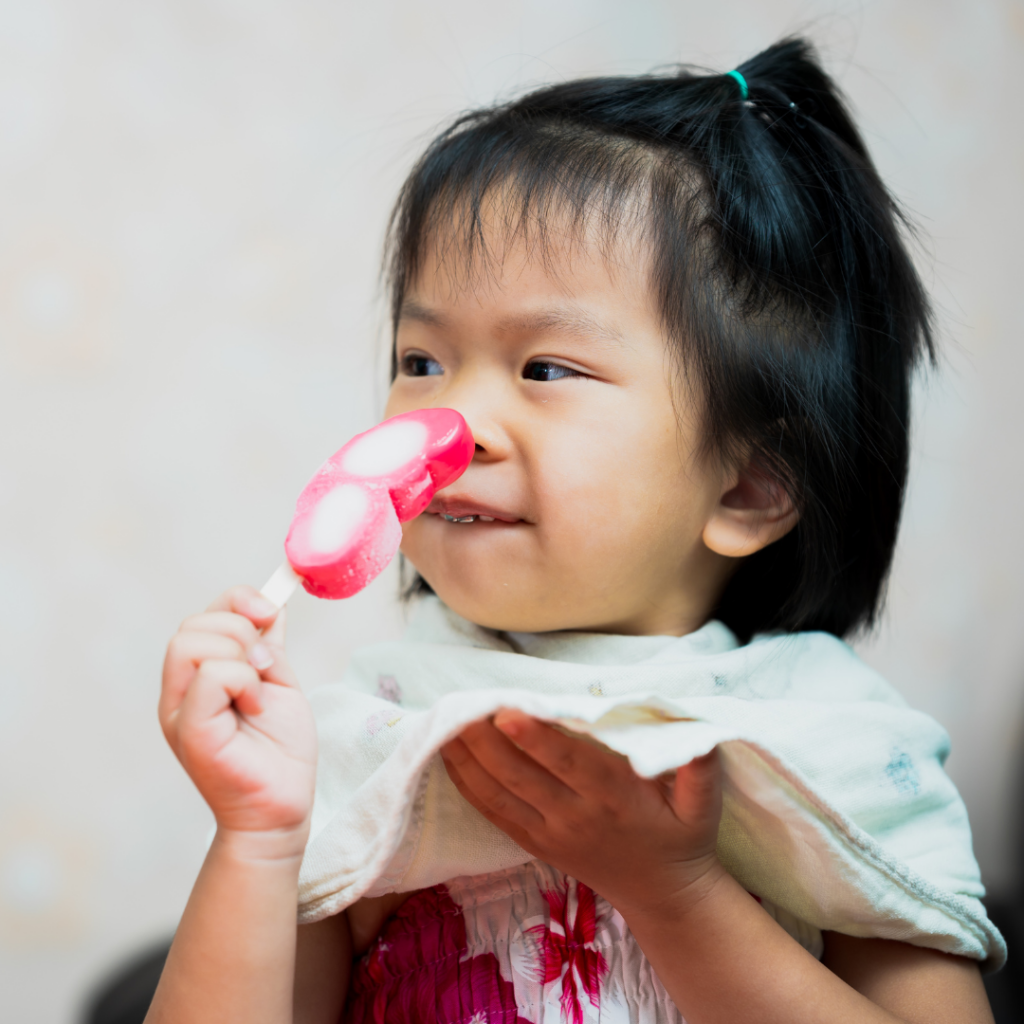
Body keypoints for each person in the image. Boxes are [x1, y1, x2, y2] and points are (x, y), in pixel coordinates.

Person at [147, 38, 1001, 1024]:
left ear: (749, 487)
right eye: (421, 360)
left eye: (544, 369)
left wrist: (671, 888)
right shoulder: (369, 737)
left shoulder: (835, 749)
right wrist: (256, 834)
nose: (451, 424)